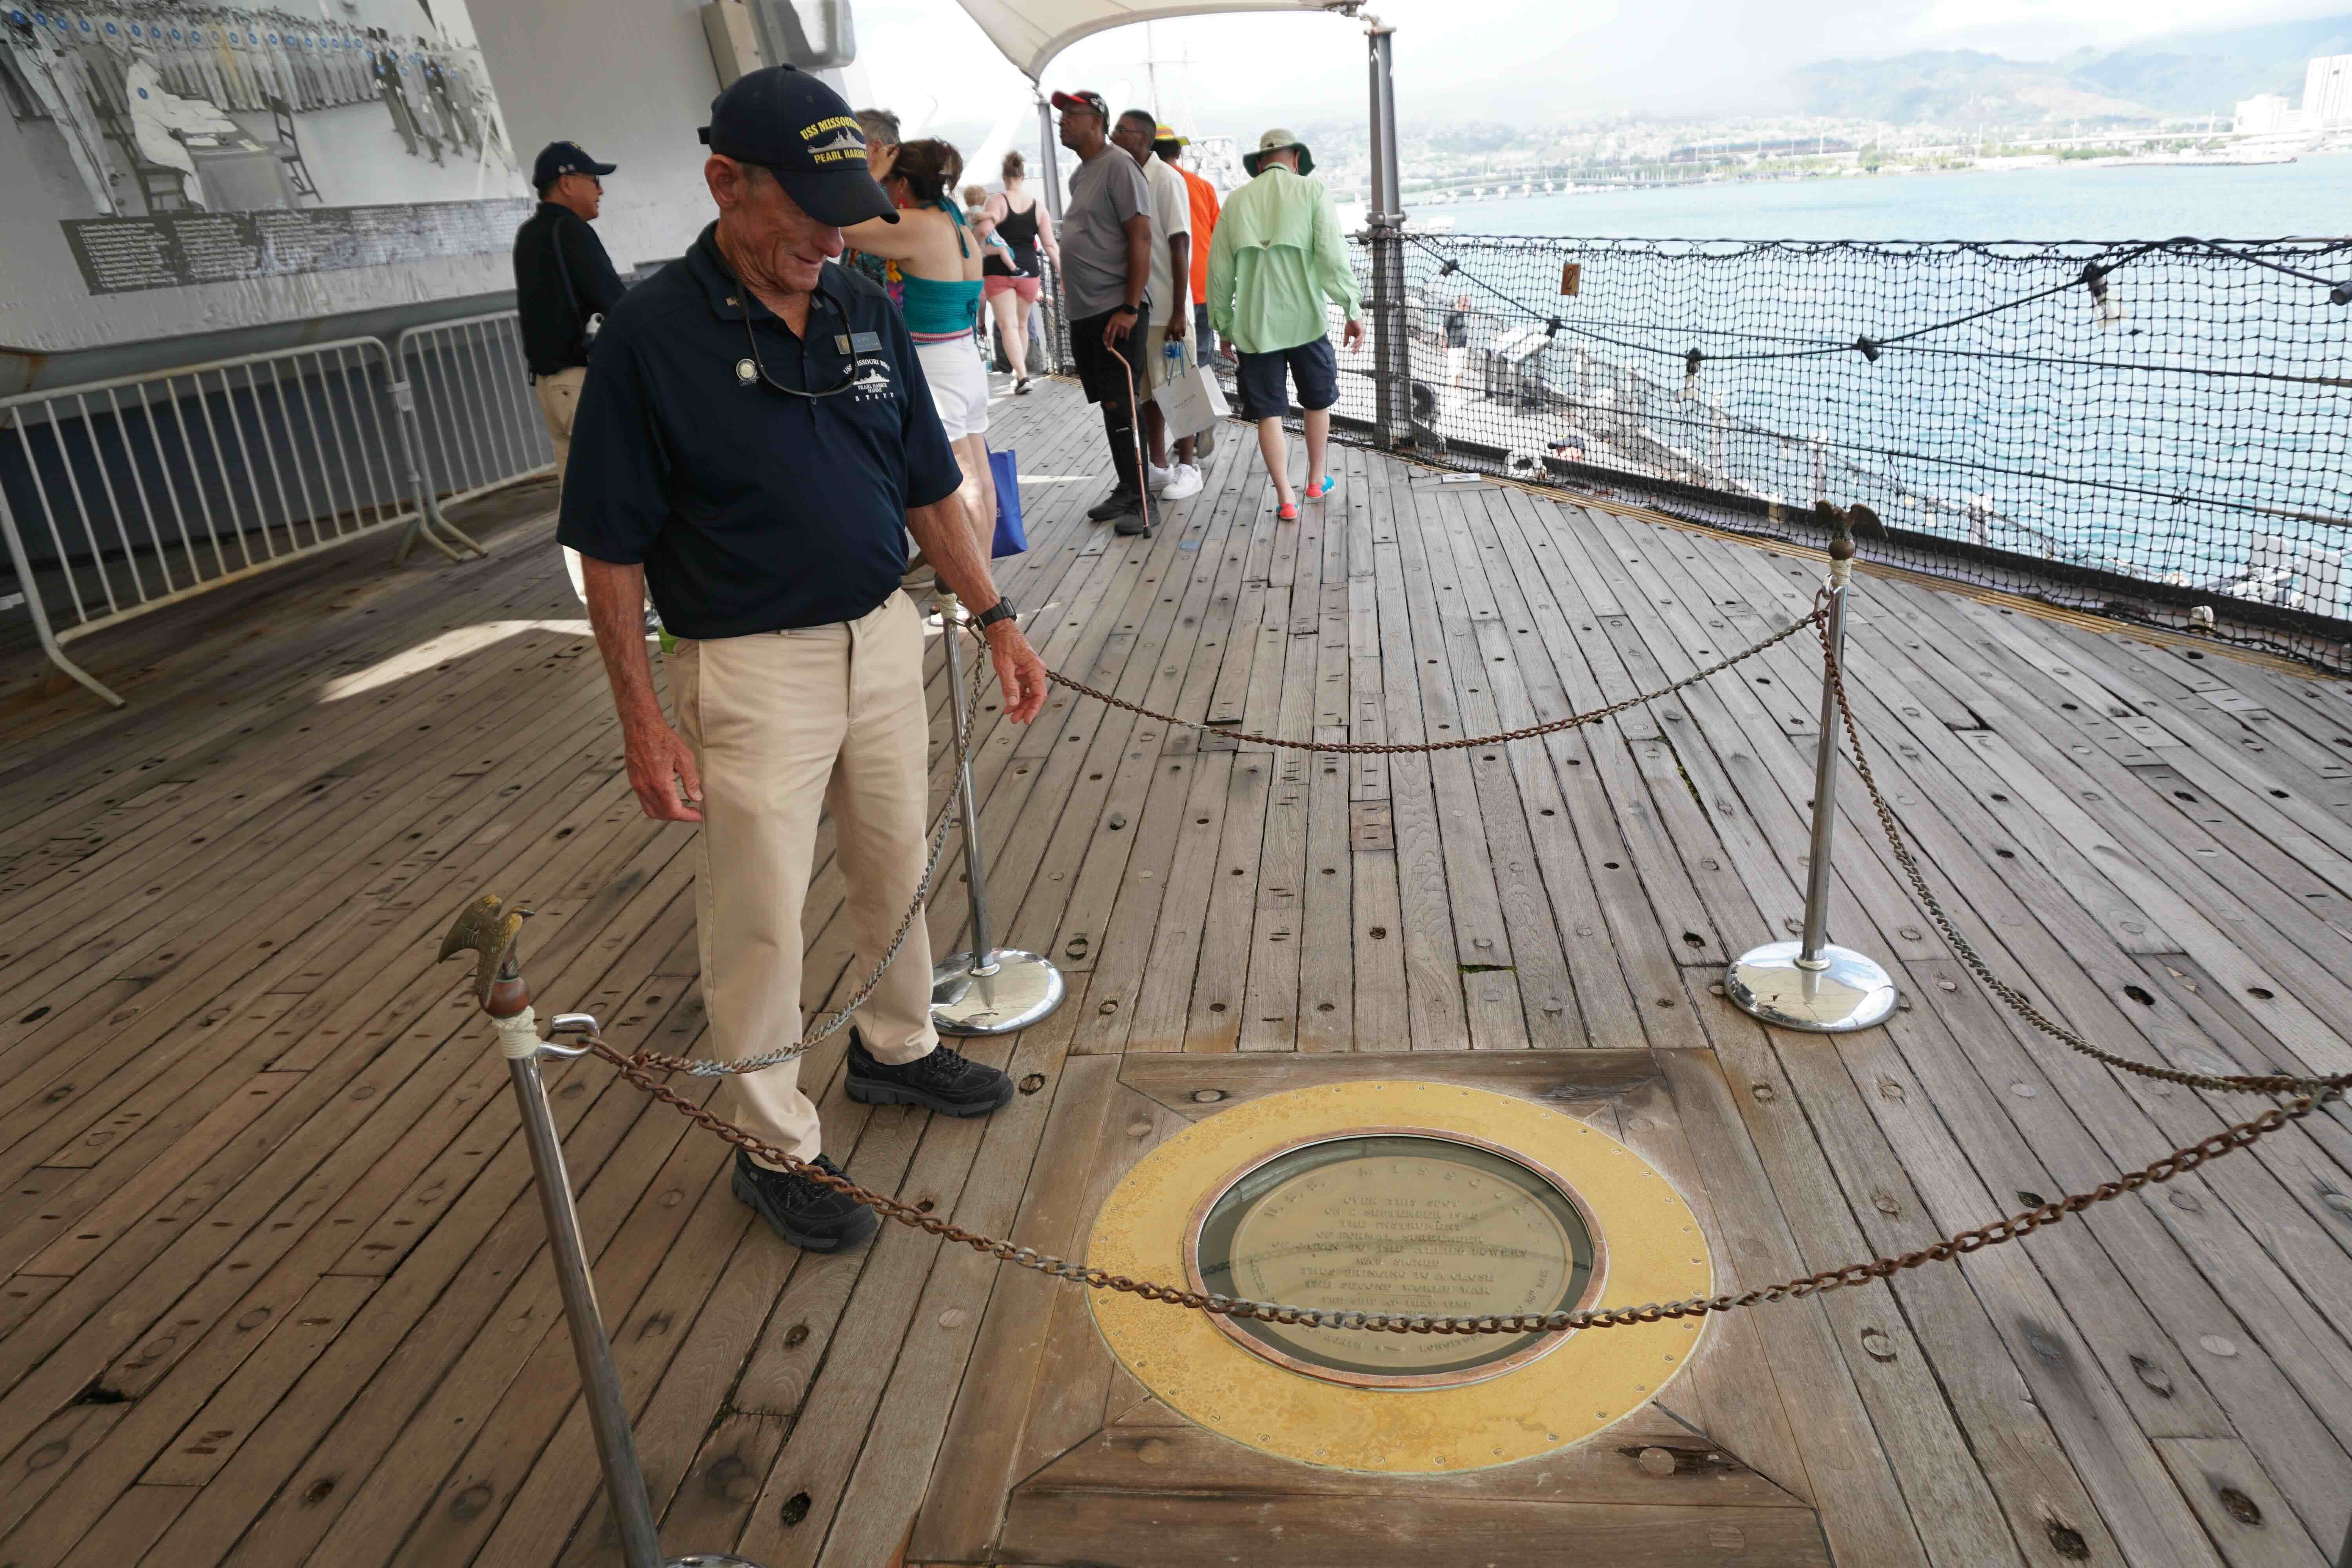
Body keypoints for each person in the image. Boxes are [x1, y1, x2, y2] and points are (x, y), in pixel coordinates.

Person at [557, 65, 1049, 1254]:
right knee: (760, 913)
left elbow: (927, 485)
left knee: (895, 865)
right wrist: (641, 720)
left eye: (847, 217)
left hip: (879, 636)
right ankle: (773, 1141)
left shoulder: (859, 304)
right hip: (747, 665)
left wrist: (994, 614)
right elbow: (610, 548)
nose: (832, 241)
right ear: (726, 183)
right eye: (811, 214)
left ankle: (898, 1047)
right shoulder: (648, 336)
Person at [840, 138, 996, 562]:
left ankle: (977, 589)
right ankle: (984, 580)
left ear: (903, 184)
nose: (887, 193)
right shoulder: (959, 227)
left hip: (936, 365)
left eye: (889, 184)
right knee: (978, 473)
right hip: (966, 358)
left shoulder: (916, 225)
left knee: (961, 480)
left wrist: (868, 175)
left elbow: (836, 227)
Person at [1205, 127, 1361, 523]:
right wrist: (1351, 308)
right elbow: (1331, 257)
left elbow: (1219, 272)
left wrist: (1224, 326)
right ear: (1295, 160)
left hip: (1255, 327)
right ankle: (1316, 480)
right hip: (1306, 320)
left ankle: (1286, 498)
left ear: (1260, 164)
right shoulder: (1312, 191)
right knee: (1316, 401)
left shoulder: (1236, 201)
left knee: (1269, 412)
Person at [514, 140, 628, 606]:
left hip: (552, 386)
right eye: (593, 180)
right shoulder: (572, 232)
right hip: (581, 384)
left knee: (578, 503)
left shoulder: (530, 234)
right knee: (615, 494)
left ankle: (599, 603)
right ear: (566, 183)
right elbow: (614, 303)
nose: (600, 190)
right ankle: (629, 604)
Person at [1049, 88, 1153, 535]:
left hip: (1116, 310)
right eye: (1062, 116)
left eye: (1072, 115)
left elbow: (1141, 237)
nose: (1063, 122)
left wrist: (1130, 307)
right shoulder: (1081, 175)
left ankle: (1144, 500)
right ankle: (1128, 487)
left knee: (1123, 403)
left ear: (1097, 121)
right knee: (1111, 405)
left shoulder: (1119, 166)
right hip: (1087, 312)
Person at [1110, 109, 1199, 502]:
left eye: (1121, 130)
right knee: (1149, 390)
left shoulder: (1167, 178)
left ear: (1143, 138)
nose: (1114, 136)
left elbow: (1180, 242)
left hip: (1168, 310)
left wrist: (1180, 309)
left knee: (1180, 387)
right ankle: (1159, 465)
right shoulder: (1129, 177)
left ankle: (1189, 466)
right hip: (1141, 309)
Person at [982, 150, 1058, 394]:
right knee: (1022, 325)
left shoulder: (997, 201)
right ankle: (1019, 373)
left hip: (998, 270)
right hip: (1030, 271)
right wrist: (1063, 273)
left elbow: (984, 231)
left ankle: (1023, 377)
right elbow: (1050, 245)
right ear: (1023, 176)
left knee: (1008, 326)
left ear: (1004, 177)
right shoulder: (1038, 207)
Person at [1156, 126, 1221, 360]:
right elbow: (1219, 236)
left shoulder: (1148, 185)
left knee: (1167, 361)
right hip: (1203, 287)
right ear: (1178, 152)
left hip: (1165, 291)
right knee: (1201, 357)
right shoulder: (1203, 186)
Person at [1445, 294, 1471, 390]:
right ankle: (1453, 396)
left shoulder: (1462, 314)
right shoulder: (1452, 313)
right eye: (1466, 305)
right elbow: (1442, 328)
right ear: (1461, 304)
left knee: (1460, 373)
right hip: (1454, 349)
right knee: (1454, 374)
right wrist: (1444, 343)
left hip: (1462, 348)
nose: (1468, 308)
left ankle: (1459, 395)